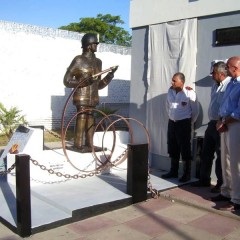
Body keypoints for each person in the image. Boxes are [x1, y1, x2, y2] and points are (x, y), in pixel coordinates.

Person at [63, 33, 118, 153]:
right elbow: (66, 81)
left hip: (93, 97)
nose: (96, 46)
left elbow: (100, 85)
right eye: (95, 44)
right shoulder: (78, 60)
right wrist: (83, 82)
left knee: (91, 118)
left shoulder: (98, 62)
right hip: (81, 96)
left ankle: (90, 144)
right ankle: (78, 144)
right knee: (82, 116)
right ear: (88, 46)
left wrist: (110, 75)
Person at [191, 61, 230, 193]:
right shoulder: (214, 85)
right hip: (212, 123)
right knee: (206, 152)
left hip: (223, 123)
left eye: (213, 73)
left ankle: (220, 182)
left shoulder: (230, 85)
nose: (211, 75)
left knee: (221, 154)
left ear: (221, 73)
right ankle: (204, 179)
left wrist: (223, 121)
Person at [211, 56, 240, 211]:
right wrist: (220, 120)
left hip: (236, 125)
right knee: (225, 160)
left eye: (228, 67)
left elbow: (239, 111)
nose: (226, 70)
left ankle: (237, 199)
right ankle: (226, 192)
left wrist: (225, 121)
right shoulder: (231, 84)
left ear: (234, 68)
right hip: (225, 123)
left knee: (236, 163)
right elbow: (224, 104)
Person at [162, 72, 199, 182]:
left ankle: (186, 174)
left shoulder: (189, 93)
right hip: (172, 123)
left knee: (185, 148)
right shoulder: (170, 91)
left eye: (174, 81)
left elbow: (195, 110)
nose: (172, 82)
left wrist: (189, 122)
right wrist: (171, 117)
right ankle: (174, 171)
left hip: (184, 123)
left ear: (181, 82)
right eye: (172, 80)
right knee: (172, 146)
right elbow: (167, 105)